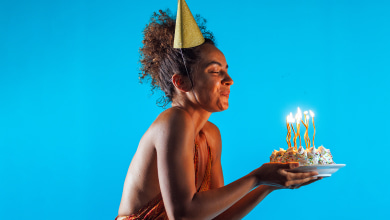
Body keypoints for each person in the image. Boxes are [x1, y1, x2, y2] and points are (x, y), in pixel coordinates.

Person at [116, 8, 321, 220]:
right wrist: (257, 176)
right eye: (215, 71)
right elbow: (184, 215)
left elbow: (216, 217)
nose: (229, 80)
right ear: (181, 82)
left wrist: (270, 184)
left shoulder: (211, 135)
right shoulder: (174, 120)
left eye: (226, 70)